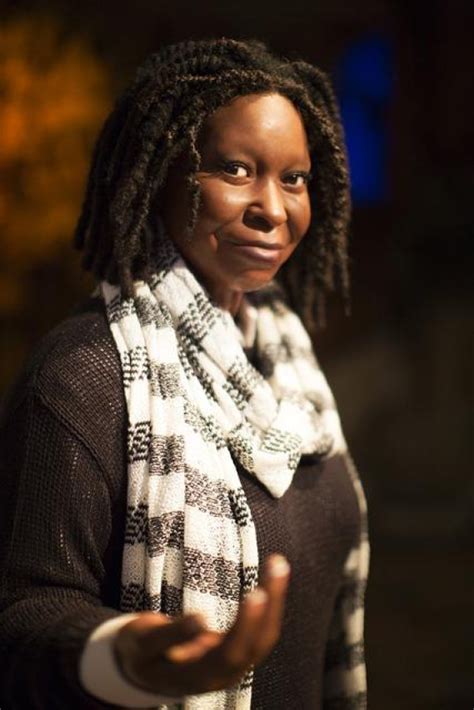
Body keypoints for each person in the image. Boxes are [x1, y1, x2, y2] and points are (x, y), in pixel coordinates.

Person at [0, 38, 369, 709]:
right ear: (162, 174)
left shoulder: (290, 365)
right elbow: (23, 613)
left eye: (294, 178)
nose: (273, 209)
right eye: (234, 169)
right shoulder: (85, 376)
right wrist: (125, 655)